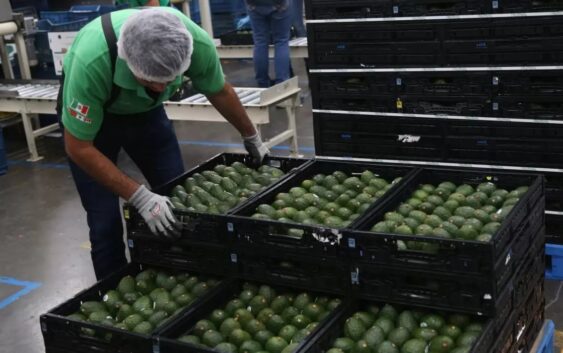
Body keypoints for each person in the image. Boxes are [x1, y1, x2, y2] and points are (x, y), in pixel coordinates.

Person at [57, 8, 269, 280]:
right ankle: (115, 291)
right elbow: (78, 147)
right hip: (97, 124)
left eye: (169, 80)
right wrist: (139, 196)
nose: (161, 88)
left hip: (146, 114)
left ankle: (183, 276)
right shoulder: (92, 62)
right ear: (127, 61)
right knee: (104, 223)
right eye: (150, 80)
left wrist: (251, 136)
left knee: (181, 200)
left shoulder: (192, 41)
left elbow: (219, 90)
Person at [245, 0, 292, 87]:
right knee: (281, 41)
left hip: (254, 4)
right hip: (278, 4)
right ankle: (282, 82)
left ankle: (262, 83)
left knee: (260, 42)